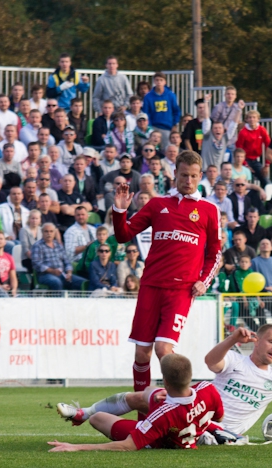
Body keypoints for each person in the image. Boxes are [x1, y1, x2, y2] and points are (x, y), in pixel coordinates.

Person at [112, 150, 221, 393]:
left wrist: (204, 281)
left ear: (200, 176)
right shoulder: (157, 204)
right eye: (184, 175)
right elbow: (123, 235)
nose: (188, 180)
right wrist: (119, 212)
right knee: (142, 353)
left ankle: (182, 402)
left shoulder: (209, 210)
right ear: (175, 174)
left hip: (181, 289)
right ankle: (144, 409)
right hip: (151, 286)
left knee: (163, 349)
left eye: (194, 176)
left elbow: (215, 253)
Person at [51, 354, 225, 452]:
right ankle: (82, 413)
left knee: (97, 418)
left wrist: (76, 447)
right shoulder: (208, 389)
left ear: (165, 381)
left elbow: (128, 446)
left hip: (161, 440)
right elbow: (219, 417)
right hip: (188, 429)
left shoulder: (163, 413)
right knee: (141, 396)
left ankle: (86, 414)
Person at [31, 223, 86, 291]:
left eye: (51, 231)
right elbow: (36, 263)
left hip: (62, 274)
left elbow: (67, 261)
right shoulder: (38, 245)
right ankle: (58, 298)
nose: (49, 233)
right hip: (45, 275)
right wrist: (52, 271)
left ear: (54, 233)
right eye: (46, 231)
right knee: (56, 282)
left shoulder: (58, 245)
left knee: (82, 282)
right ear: (42, 232)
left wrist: (69, 273)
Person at [142, 73, 180, 151]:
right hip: (153, 127)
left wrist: (174, 124)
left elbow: (176, 110)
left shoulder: (171, 95)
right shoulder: (148, 96)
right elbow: (146, 113)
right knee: (152, 149)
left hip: (167, 128)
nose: (159, 82)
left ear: (165, 82)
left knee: (166, 149)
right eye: (157, 80)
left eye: (161, 80)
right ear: (154, 82)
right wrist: (149, 126)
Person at [235, 110, 271, 186]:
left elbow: (268, 146)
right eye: (250, 117)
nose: (252, 119)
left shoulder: (262, 130)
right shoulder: (243, 132)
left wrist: (267, 164)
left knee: (266, 181)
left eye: (254, 117)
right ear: (247, 119)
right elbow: (239, 149)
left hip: (255, 160)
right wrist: (245, 165)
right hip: (244, 160)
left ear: (258, 119)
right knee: (245, 182)